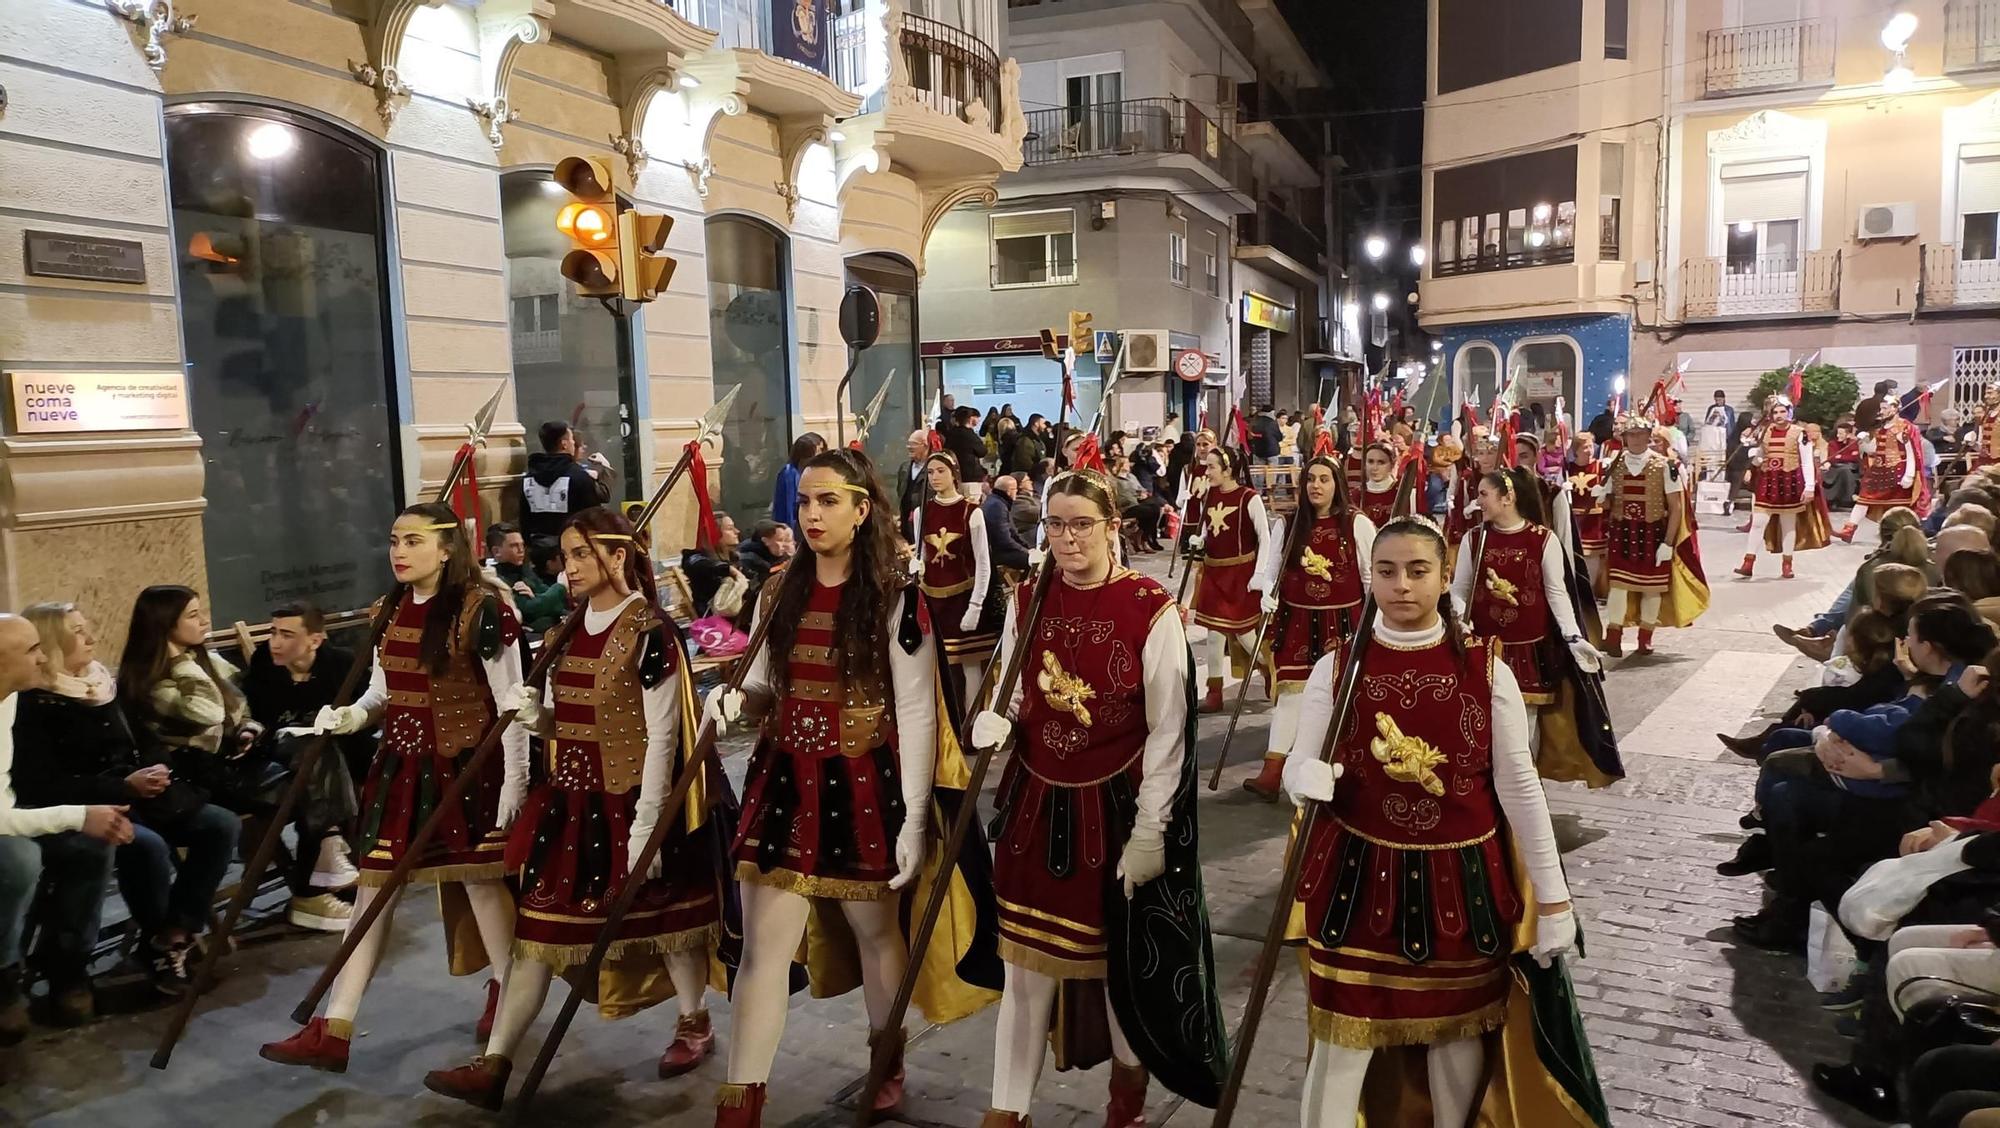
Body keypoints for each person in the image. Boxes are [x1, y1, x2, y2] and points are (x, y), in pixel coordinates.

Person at [701, 448, 998, 1127]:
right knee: (762, 948)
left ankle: (886, 1057)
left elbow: (919, 709)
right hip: (781, 778)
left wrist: (915, 819)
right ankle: (741, 1101)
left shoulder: (898, 596)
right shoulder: (778, 587)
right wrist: (733, 701)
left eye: (828, 501)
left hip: (865, 782)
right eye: (804, 502)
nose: (812, 514)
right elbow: (764, 681)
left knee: (875, 935)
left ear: (863, 510)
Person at [1281, 516, 1592, 1128]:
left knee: (1457, 1034)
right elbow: (1303, 759)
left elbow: (1519, 787)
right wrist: (1301, 777)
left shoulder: (1486, 668)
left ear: (1446, 576)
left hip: (1463, 880)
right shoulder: (1336, 667)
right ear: (1370, 576)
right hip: (1355, 878)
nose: (1402, 586)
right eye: (1387, 571)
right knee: (1344, 1037)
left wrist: (1554, 902)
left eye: (1418, 571)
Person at [424, 508, 727, 1108]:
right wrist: (535, 717)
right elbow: (570, 719)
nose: (571, 567)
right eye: (566, 556)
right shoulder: (567, 627)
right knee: (536, 932)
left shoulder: (651, 631)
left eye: (583, 554)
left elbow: (663, 738)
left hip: (637, 796)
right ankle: (495, 1064)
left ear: (618, 556)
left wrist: (647, 827)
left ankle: (694, 1021)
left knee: (669, 926)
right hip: (572, 800)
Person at [968, 470, 1227, 1128]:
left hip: (1116, 807)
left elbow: (1169, 731)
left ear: (1114, 527)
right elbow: (1014, 683)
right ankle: (1007, 1111)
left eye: (1081, 523)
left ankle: (1127, 1096)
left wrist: (1151, 831)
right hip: (1036, 803)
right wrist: (997, 724)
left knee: (1121, 971)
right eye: (1054, 524)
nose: (1065, 536)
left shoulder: (1149, 605)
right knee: (1025, 970)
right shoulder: (1030, 595)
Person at [260, 500, 529, 1073]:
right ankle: (335, 1027)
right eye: (393, 541)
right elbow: (383, 692)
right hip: (401, 767)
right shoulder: (390, 609)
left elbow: (513, 703)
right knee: (371, 894)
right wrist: (349, 718)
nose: (399, 552)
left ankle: (510, 1001)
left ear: (447, 546)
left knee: (481, 886)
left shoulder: (484, 611)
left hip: (467, 767)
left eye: (412, 541)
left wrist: (516, 784)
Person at [17, 602, 202, 1006]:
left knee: (218, 824)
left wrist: (157, 767)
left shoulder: (100, 683)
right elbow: (40, 784)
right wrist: (121, 789)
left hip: (122, 794)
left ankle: (176, 932)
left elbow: (142, 736)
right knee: (129, 847)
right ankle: (70, 969)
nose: (92, 639)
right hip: (69, 806)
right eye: (78, 632)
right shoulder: (34, 703)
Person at [0, 613, 129, 1044]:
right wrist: (79, 813)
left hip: (21, 809)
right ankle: (4, 976)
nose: (42, 660)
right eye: (32, 650)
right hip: (18, 815)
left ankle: (67, 969)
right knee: (21, 858)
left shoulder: (11, 696)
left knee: (90, 847)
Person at [1452, 467, 1619, 786]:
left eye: (1484, 494)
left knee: (1525, 729)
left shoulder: (1543, 540)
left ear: (1508, 497)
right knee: (1483, 721)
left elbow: (1557, 593)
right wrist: (1459, 618)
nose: (1479, 501)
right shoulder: (1473, 539)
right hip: (1484, 649)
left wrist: (1573, 637)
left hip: (1530, 649)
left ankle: (1523, 787)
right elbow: (1460, 588)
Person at [1242, 455, 1372, 799]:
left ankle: (1343, 771)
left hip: (1344, 622)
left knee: (1342, 699)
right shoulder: (1288, 522)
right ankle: (1272, 772)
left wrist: (1375, 619)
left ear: (1337, 484)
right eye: (1311, 479)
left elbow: (1370, 576)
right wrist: (1266, 594)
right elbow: (1273, 569)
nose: (1316, 485)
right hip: (1296, 620)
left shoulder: (1356, 524)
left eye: (1324, 479)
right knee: (1290, 698)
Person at [244, 601, 363, 932]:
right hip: (279, 756)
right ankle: (325, 861)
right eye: (272, 633)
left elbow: (364, 713)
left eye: (286, 634)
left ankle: (317, 882)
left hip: (338, 754)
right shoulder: (263, 665)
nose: (275, 643)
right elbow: (259, 720)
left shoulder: (340, 664)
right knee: (316, 767)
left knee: (323, 764)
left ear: (315, 639)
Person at [1188, 445, 1276, 713]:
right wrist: (1198, 540)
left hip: (1240, 575)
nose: (1207, 471)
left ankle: (1269, 667)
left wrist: (1260, 574)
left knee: (1245, 635)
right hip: (1214, 572)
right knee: (1213, 634)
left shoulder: (1249, 498)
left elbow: (1265, 537)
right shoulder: (1210, 495)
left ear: (1228, 470)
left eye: (1212, 466)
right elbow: (1208, 529)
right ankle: (1214, 692)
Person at [1598, 413, 1693, 656]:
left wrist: (1668, 543)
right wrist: (1600, 496)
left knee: (1652, 587)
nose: (1637, 439)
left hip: (1652, 533)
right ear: (1625, 438)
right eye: (1632, 434)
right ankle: (1614, 636)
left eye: (1641, 434)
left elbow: (1676, 507)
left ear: (1648, 437)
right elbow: (1607, 504)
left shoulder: (1664, 465)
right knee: (1618, 585)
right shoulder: (1613, 464)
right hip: (1622, 531)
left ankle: (1645, 637)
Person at [912, 451, 1000, 706]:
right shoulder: (922, 512)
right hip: (933, 597)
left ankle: (971, 723)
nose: (935, 477)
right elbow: (923, 553)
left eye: (940, 471)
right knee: (938, 665)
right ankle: (948, 721)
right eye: (930, 472)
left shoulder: (971, 512)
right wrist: (917, 567)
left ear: (954, 474)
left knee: (970, 664)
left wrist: (976, 605)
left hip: (963, 597)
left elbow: (983, 562)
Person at [1736, 394, 1827, 579]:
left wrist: (1809, 486)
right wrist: (1751, 462)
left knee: (1788, 525)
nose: (1778, 415)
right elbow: (1760, 453)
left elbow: (1807, 461)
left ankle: (1787, 564)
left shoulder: (1799, 433)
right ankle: (1748, 562)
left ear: (1789, 412)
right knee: (1758, 523)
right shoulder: (1765, 431)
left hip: (1790, 482)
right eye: (1775, 412)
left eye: (1782, 411)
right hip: (1768, 481)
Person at [521, 421, 615, 547]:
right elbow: (593, 516)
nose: (573, 443)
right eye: (571, 439)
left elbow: (524, 520)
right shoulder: (578, 476)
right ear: (564, 444)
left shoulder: (528, 479)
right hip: (572, 549)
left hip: (539, 550)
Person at [1566, 433, 1609, 594]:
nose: (1589, 450)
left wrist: (1604, 492)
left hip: (1595, 520)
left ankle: (1590, 591)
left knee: (1593, 559)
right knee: (1576, 556)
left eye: (1591, 446)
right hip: (1575, 519)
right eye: (1584, 447)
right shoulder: (1568, 469)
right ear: (1576, 449)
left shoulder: (1600, 467)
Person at [681, 513, 746, 617]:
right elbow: (699, 564)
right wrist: (728, 569)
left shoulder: (735, 557)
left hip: (737, 616)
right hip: (713, 622)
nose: (737, 531)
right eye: (730, 529)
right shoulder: (696, 557)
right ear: (714, 533)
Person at [773, 433, 827, 539]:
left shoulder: (813, 473)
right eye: (817, 451)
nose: (820, 455)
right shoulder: (790, 473)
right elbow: (789, 509)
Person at [1109, 452, 1166, 550]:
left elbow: (1141, 488)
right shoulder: (1115, 480)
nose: (1129, 465)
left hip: (1136, 502)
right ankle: (1145, 538)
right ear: (1120, 465)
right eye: (1126, 463)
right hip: (1126, 507)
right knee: (1150, 511)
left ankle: (1147, 538)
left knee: (1155, 508)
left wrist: (1143, 493)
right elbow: (1118, 496)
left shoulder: (1131, 477)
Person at [983, 474, 1032, 573]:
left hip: (1001, 549)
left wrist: (1027, 548)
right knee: (1035, 561)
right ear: (1009, 491)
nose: (1017, 493)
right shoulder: (997, 506)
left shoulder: (997, 501)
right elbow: (1004, 540)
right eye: (1015, 490)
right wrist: (1025, 551)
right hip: (998, 553)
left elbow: (1012, 532)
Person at [1355, 441, 1402, 528]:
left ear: (1392, 464)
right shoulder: (1355, 495)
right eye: (1370, 461)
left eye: (1381, 462)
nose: (1374, 468)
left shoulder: (1402, 492)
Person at [486, 523, 538, 599]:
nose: (521, 550)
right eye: (514, 546)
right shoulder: (493, 579)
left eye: (522, 545)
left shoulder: (525, 570)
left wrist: (535, 597)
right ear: (496, 551)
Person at [897, 430, 929, 539]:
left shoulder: (932, 469)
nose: (909, 447)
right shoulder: (904, 468)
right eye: (908, 444)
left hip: (924, 520)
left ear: (925, 445)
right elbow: (900, 492)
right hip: (905, 520)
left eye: (913, 444)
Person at [945, 406, 990, 484]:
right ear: (970, 419)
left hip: (954, 474)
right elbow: (982, 451)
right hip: (970, 476)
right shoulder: (970, 435)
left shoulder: (950, 433)